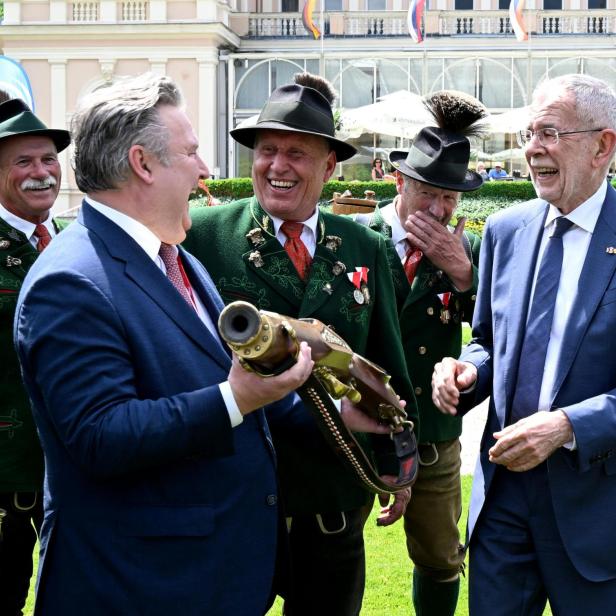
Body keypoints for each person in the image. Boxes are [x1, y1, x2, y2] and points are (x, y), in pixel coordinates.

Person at [14, 72, 354, 616]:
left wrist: (342, 413)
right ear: (143, 164)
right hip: (137, 586)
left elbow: (229, 379)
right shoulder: (72, 281)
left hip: (203, 577)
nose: (206, 169)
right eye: (192, 152)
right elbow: (101, 436)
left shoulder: (178, 257)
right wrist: (234, 400)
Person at [183, 72, 417, 616]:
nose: (277, 166)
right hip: (234, 493)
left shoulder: (365, 245)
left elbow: (388, 366)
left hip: (330, 498)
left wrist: (400, 461)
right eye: (267, 151)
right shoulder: (204, 235)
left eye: (296, 153)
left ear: (329, 165)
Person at [432, 73, 616, 615]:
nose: (533, 148)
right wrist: (465, 373)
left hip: (596, 509)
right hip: (503, 498)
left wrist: (567, 427)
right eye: (529, 132)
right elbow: (488, 340)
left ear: (604, 145)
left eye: (551, 133)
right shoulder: (505, 231)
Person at [354, 90, 484, 616]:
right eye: (429, 192)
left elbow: (494, 329)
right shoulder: (355, 237)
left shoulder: (466, 249)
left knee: (439, 554)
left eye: (451, 198)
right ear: (400, 181)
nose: (439, 209)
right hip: (355, 420)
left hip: (432, 429)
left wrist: (462, 274)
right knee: (332, 545)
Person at [0, 98, 70, 616]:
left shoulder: (73, 240)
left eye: (48, 159)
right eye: (24, 162)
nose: (41, 173)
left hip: (73, 472)